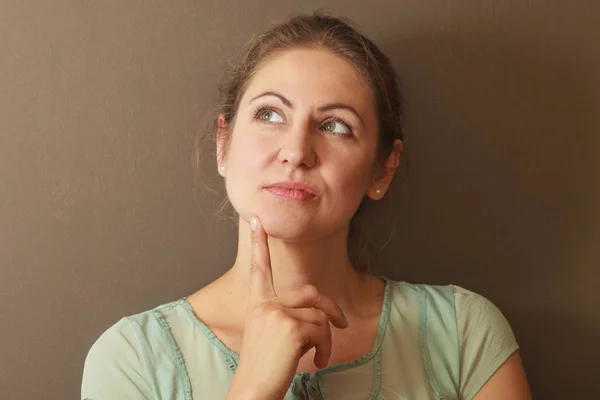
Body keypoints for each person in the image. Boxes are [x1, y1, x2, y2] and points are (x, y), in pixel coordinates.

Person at [81, 13, 531, 400]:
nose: (296, 151)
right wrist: (253, 387)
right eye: (270, 115)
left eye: (335, 125)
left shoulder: (462, 333)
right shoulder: (131, 359)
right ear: (224, 145)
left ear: (382, 170)